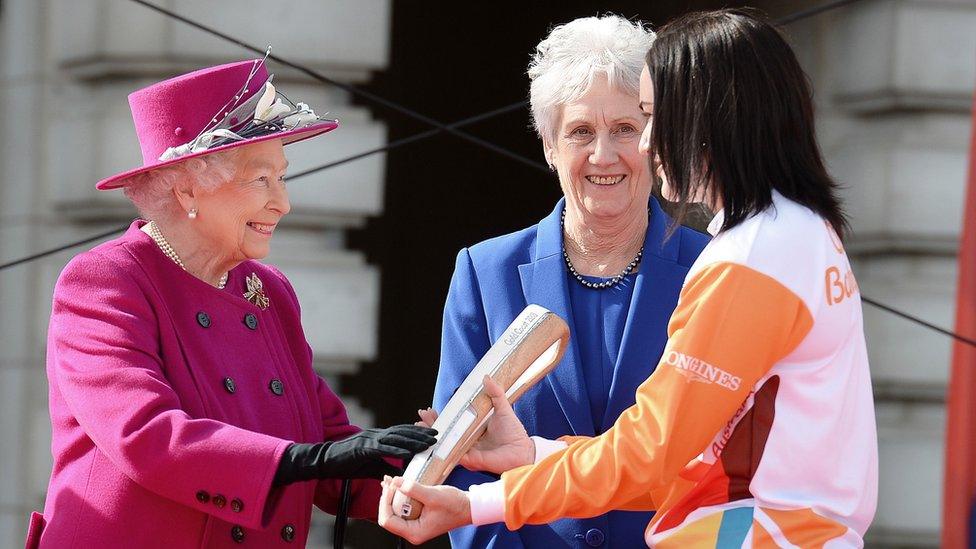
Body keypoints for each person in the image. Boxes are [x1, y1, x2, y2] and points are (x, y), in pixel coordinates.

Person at [381, 8, 878, 548]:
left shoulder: (749, 256)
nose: (637, 145)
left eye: (643, 119)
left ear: (706, 117)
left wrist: (479, 503)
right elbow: (688, 455)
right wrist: (532, 457)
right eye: (581, 132)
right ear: (550, 145)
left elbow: (655, 451)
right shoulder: (797, 233)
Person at [27, 58, 436, 548]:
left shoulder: (269, 292)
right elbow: (146, 435)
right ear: (188, 188)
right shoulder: (107, 279)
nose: (282, 204)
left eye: (282, 178)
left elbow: (330, 448)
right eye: (261, 180)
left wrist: (429, 463)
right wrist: (303, 461)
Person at [429, 14, 708, 548]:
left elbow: (729, 456)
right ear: (548, 145)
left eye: (626, 129)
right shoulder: (484, 272)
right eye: (580, 131)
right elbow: (457, 455)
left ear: (657, 140)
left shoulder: (714, 269)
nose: (603, 155)